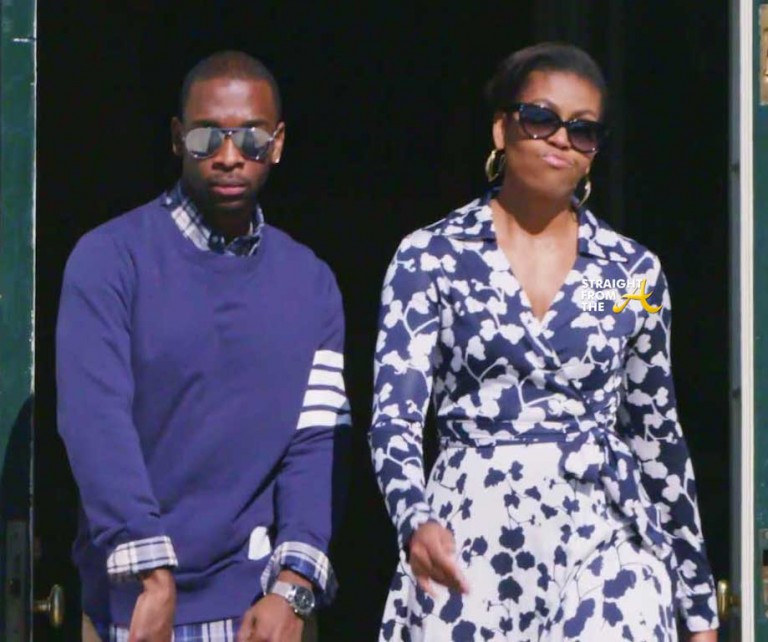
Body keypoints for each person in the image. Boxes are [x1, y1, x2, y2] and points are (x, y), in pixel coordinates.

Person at [369, 42, 718, 641]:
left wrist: (698, 603)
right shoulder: (434, 257)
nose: (561, 139)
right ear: (501, 129)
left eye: (584, 130)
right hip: (472, 537)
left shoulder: (623, 274)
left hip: (603, 535)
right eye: (540, 118)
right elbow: (395, 417)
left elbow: (656, 433)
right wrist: (414, 519)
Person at [56, 50, 350, 642]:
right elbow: (95, 420)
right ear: (176, 138)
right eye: (206, 136)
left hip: (261, 613)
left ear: (279, 143)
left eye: (253, 138)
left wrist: (294, 584)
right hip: (138, 611)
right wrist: (150, 572)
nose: (229, 155)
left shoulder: (310, 282)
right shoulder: (110, 260)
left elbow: (316, 441)